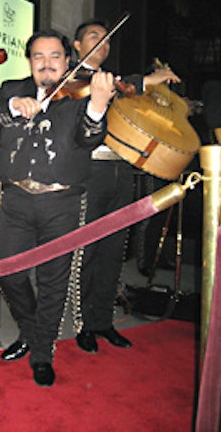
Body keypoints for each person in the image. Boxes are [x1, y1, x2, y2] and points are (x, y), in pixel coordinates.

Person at [0, 29, 115, 387]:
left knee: (53, 280)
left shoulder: (80, 96)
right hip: (17, 197)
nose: (47, 64)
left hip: (62, 201)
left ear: (68, 61)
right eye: (39, 57)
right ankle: (33, 331)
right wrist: (10, 107)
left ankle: (41, 352)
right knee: (9, 272)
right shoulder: (12, 88)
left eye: (55, 56)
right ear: (30, 61)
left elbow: (89, 137)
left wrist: (98, 105)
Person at [72, 18, 181, 354]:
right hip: (88, 173)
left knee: (113, 250)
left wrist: (158, 89)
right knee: (86, 252)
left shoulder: (116, 81)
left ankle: (103, 320)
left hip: (121, 171)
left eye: (107, 40)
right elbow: (127, 84)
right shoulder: (70, 77)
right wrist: (148, 79)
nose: (103, 43)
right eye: (94, 37)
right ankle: (83, 324)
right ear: (77, 45)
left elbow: (132, 89)